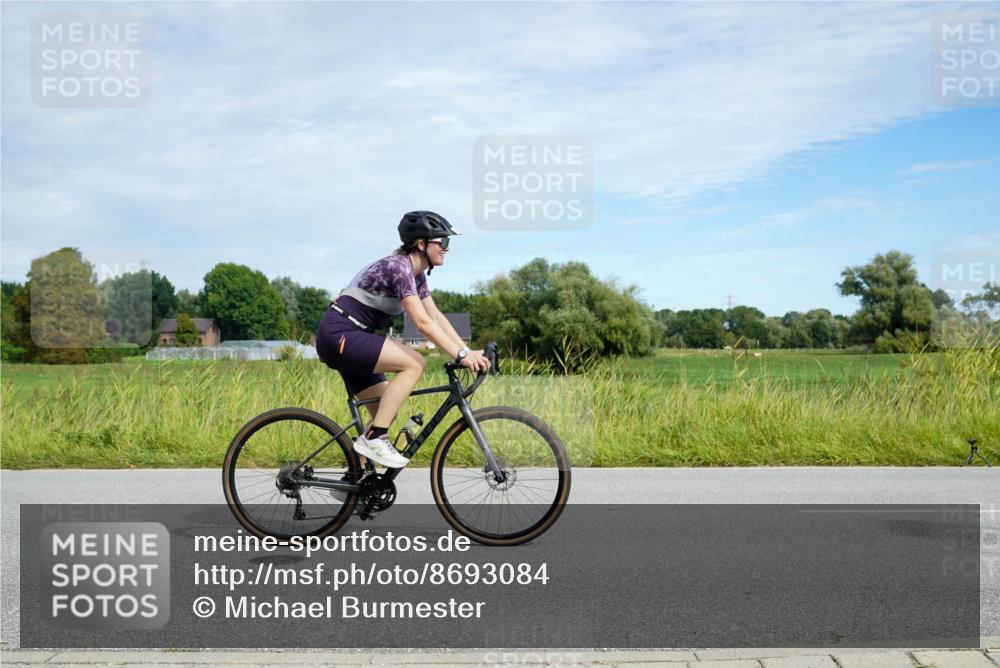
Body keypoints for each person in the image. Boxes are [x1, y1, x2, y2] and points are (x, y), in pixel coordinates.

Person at [314, 211, 491, 469]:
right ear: (421, 244)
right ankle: (375, 439)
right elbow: (422, 323)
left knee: (385, 410)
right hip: (341, 334)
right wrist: (461, 356)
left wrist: (466, 350)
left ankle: (358, 473)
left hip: (354, 336)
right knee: (415, 363)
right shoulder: (399, 267)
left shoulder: (416, 275)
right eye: (442, 242)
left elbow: (435, 316)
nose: (447, 248)